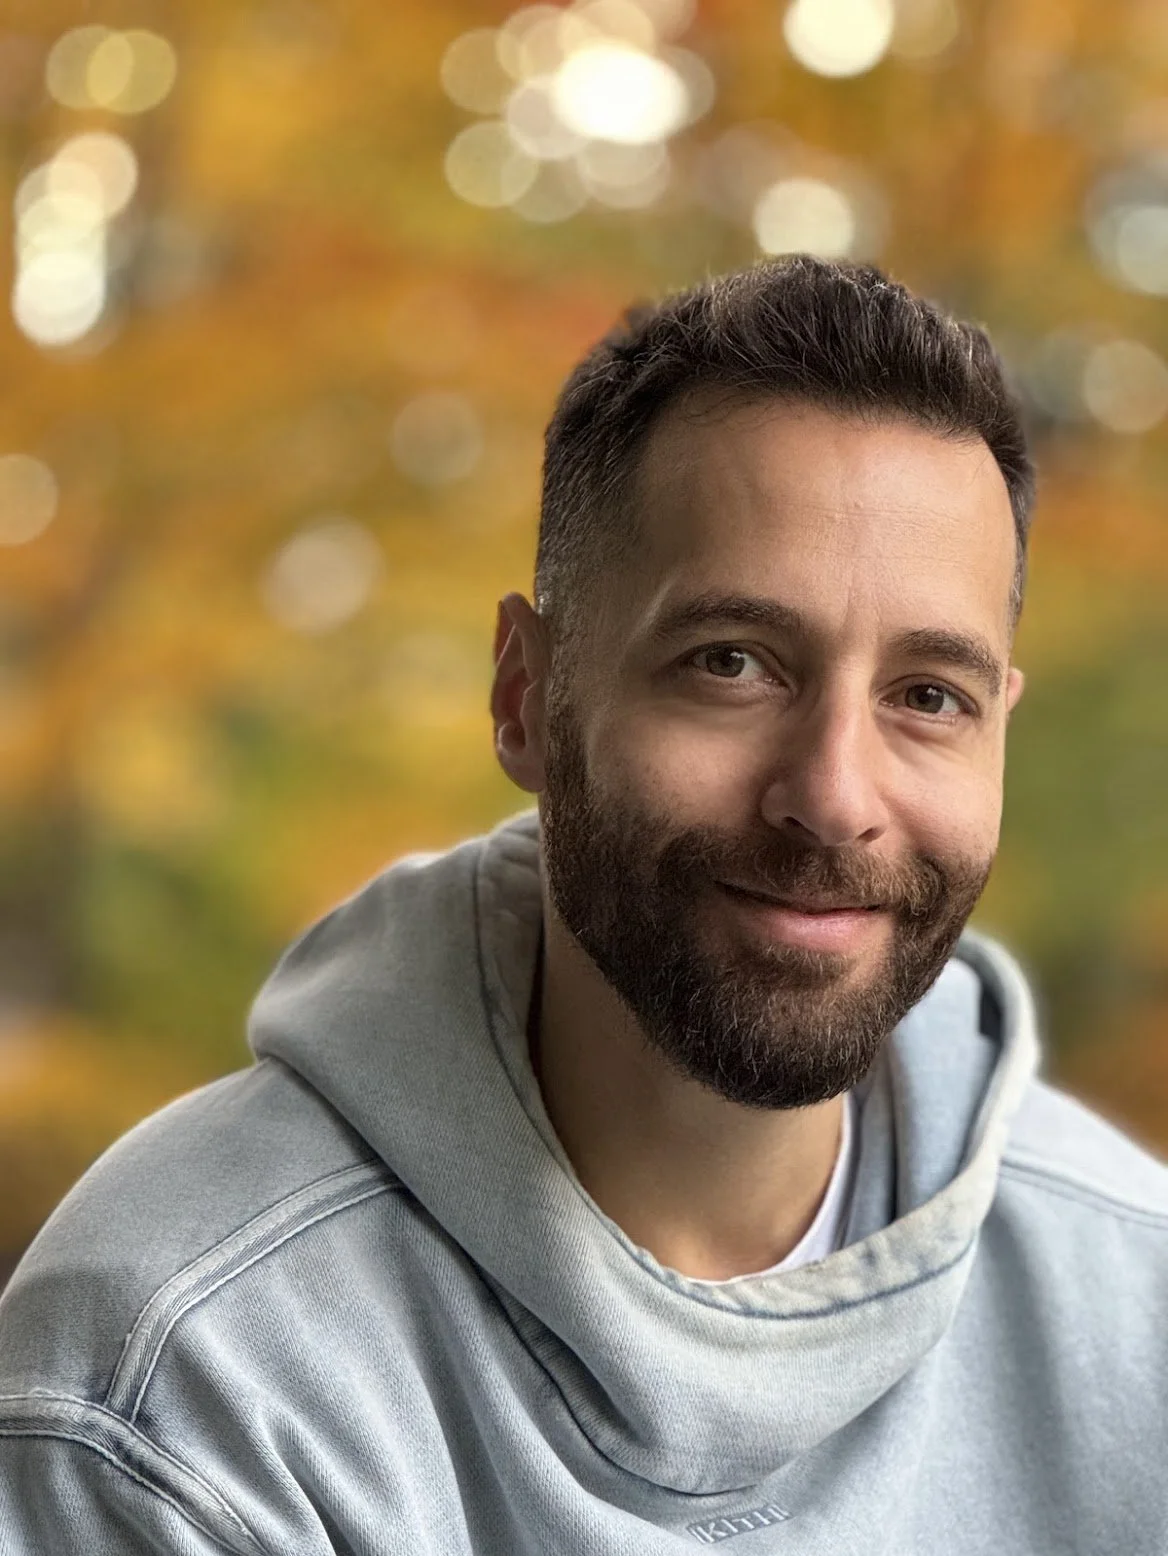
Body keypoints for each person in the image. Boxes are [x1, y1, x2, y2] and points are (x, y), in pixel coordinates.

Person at [1, 257, 1165, 1555]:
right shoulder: (182, 1378)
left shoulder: (1137, 1306)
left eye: (927, 695)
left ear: (999, 725)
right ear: (524, 698)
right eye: (731, 664)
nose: (835, 797)